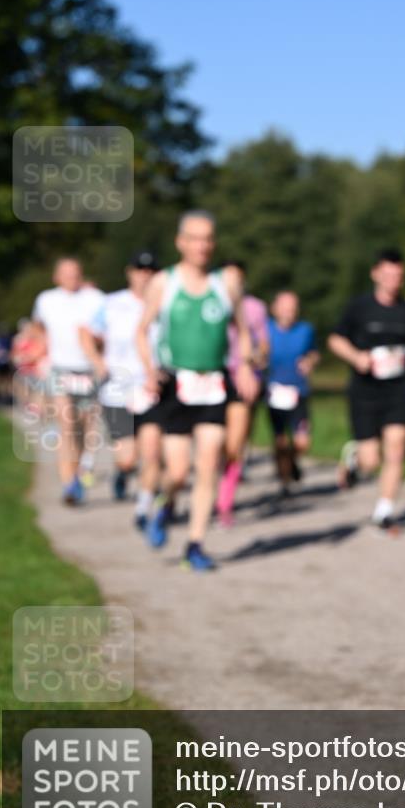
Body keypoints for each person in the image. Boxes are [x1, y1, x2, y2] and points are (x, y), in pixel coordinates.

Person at [136, 210, 257, 571]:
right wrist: (149, 371)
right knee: (177, 471)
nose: (202, 246)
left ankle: (195, 543)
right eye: (195, 238)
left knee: (209, 463)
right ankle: (165, 504)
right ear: (181, 242)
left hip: (214, 384)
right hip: (176, 384)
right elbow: (141, 331)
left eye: (208, 239)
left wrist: (245, 366)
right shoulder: (164, 282)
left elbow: (243, 330)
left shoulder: (227, 283)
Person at [328, 248, 405, 534]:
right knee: (371, 461)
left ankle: (385, 511)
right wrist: (356, 357)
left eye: (398, 276)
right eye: (388, 274)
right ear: (376, 274)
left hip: (396, 390)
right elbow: (335, 340)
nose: (394, 281)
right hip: (365, 391)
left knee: (397, 448)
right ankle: (354, 461)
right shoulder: (359, 307)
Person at [81, 251, 163, 526]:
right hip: (117, 389)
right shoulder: (112, 303)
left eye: (151, 270)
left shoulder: (164, 303)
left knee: (152, 451)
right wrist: (97, 362)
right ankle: (122, 473)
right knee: (128, 457)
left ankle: (144, 507)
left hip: (152, 388)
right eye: (140, 269)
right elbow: (85, 332)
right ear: (130, 272)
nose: (145, 275)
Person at [31, 259, 105, 504]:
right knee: (66, 424)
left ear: (81, 274)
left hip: (87, 371)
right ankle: (68, 484)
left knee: (83, 427)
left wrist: (99, 350)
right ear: (56, 277)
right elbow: (37, 327)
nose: (71, 277)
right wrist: (42, 350)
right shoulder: (46, 300)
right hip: (60, 368)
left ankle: (80, 469)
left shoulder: (95, 298)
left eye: (75, 273)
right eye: (66, 273)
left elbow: (105, 331)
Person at [215, 260, 269, 526]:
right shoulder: (206, 304)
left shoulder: (255, 308)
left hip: (241, 377)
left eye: (237, 279)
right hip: (209, 378)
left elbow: (264, 343)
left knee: (234, 445)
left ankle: (224, 502)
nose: (233, 284)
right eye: (227, 279)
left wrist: (256, 360)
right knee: (211, 443)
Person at [266, 290, 319, 494]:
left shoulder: (306, 330)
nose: (289, 312)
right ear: (275, 309)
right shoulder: (266, 330)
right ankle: (285, 481)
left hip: (299, 391)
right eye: (285, 308)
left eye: (293, 308)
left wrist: (310, 361)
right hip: (274, 391)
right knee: (280, 441)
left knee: (302, 442)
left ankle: (292, 460)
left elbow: (314, 353)